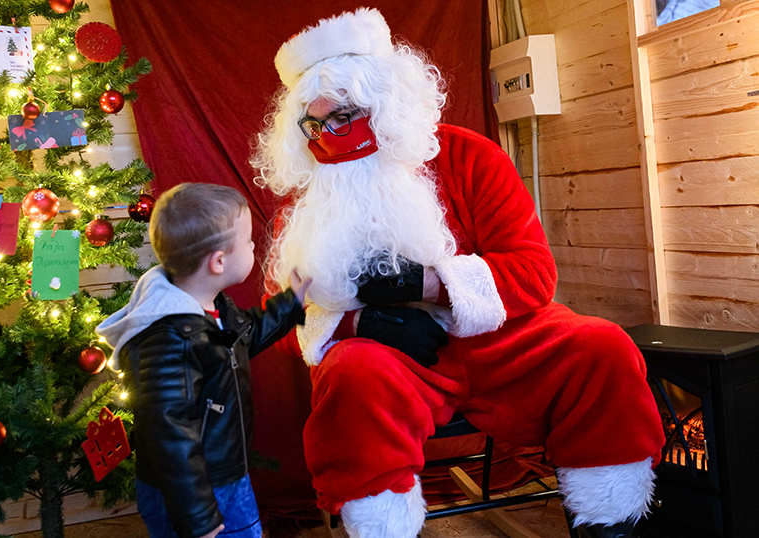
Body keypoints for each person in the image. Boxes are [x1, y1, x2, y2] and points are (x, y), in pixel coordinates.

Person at [251, 8, 665, 538]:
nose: (327, 137)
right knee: (351, 377)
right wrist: (356, 327)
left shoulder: (470, 157)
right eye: (313, 125)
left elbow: (534, 273)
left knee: (600, 347)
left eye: (343, 118)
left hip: (500, 342)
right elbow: (286, 316)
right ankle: (382, 528)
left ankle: (608, 521)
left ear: (382, 104)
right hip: (392, 359)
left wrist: (429, 283)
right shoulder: (308, 205)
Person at [96, 183, 311, 538]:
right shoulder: (170, 340)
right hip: (198, 491)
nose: (255, 247)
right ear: (219, 262)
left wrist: (292, 303)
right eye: (248, 241)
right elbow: (171, 437)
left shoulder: (208, 308)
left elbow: (244, 337)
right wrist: (200, 518)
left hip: (224, 474)